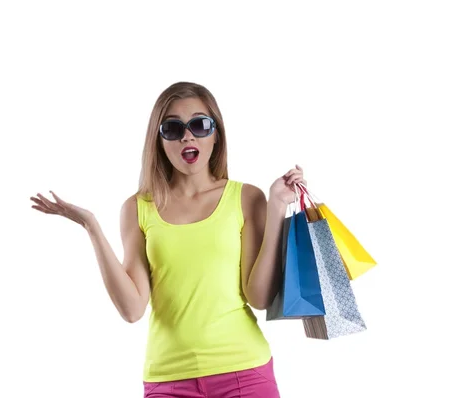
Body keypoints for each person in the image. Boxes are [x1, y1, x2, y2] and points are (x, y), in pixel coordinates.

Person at [30, 82, 306, 397]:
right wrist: (91, 226)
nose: (187, 135)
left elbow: (257, 298)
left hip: (244, 373)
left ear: (216, 134)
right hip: (169, 381)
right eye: (173, 128)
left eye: (200, 125)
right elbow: (132, 309)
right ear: (159, 140)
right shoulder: (137, 209)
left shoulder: (246, 198)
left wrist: (276, 207)